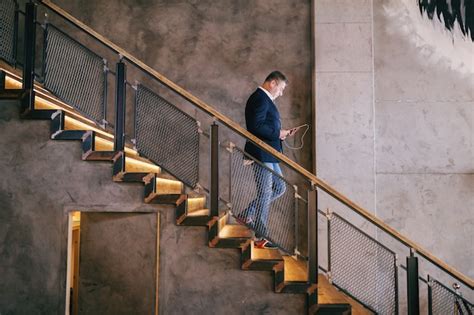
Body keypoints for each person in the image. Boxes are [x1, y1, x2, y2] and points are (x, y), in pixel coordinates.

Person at [238, 71, 297, 249]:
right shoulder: (259, 98)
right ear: (272, 83)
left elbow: (265, 126)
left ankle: (247, 213)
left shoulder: (265, 100)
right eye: (281, 89)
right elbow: (255, 126)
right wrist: (277, 133)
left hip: (268, 152)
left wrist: (281, 134)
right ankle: (260, 236)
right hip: (260, 152)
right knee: (265, 192)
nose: (281, 93)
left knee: (279, 187)